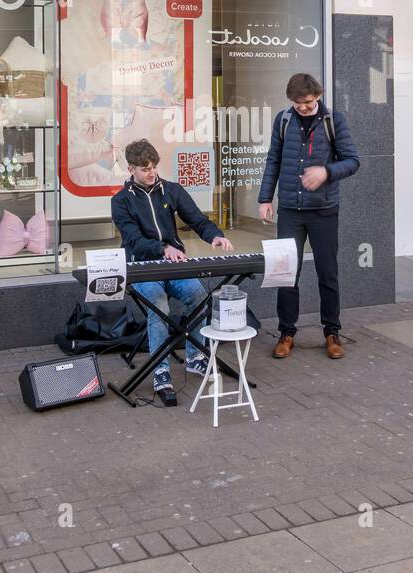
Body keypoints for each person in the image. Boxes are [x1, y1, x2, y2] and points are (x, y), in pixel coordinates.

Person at [111, 139, 233, 406]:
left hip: (172, 262)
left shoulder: (171, 190)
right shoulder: (121, 201)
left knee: (198, 295)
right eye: (144, 169)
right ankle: (161, 370)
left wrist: (215, 236)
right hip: (141, 266)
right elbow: (132, 240)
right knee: (158, 304)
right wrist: (162, 248)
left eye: (153, 166)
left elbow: (197, 220)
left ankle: (195, 357)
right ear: (131, 169)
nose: (151, 172)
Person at [257, 73, 360, 360]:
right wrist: (265, 198)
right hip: (290, 209)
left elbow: (353, 161)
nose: (302, 107)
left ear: (317, 96)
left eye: (308, 101)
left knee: (328, 273)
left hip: (324, 210)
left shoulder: (333, 121)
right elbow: (273, 160)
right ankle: (286, 332)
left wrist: (326, 171)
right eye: (297, 102)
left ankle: (332, 332)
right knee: (287, 272)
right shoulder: (283, 120)